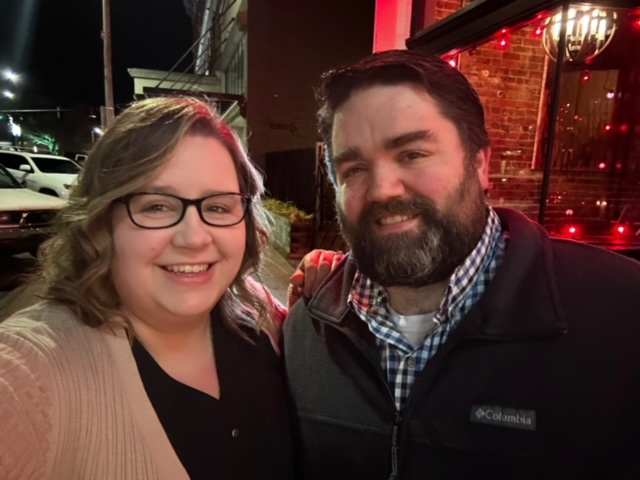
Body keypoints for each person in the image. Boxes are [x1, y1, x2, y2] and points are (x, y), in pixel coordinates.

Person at [283, 49, 640, 479]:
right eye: (354, 169)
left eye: (412, 153)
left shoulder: (621, 314)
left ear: (480, 162)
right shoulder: (306, 329)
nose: (381, 189)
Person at [0, 97, 295, 480]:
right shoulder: (30, 373)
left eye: (218, 207)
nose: (194, 238)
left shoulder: (258, 312)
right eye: (157, 206)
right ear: (102, 220)